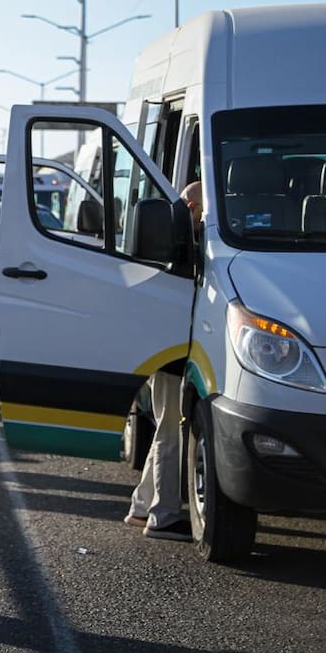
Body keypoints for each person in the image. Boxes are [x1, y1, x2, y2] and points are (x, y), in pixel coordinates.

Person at [126, 180, 203, 542]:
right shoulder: (183, 247)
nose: (207, 219)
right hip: (171, 356)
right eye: (205, 211)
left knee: (163, 429)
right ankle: (164, 514)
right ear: (190, 208)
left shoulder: (167, 243)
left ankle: (143, 506)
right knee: (170, 431)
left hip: (160, 352)